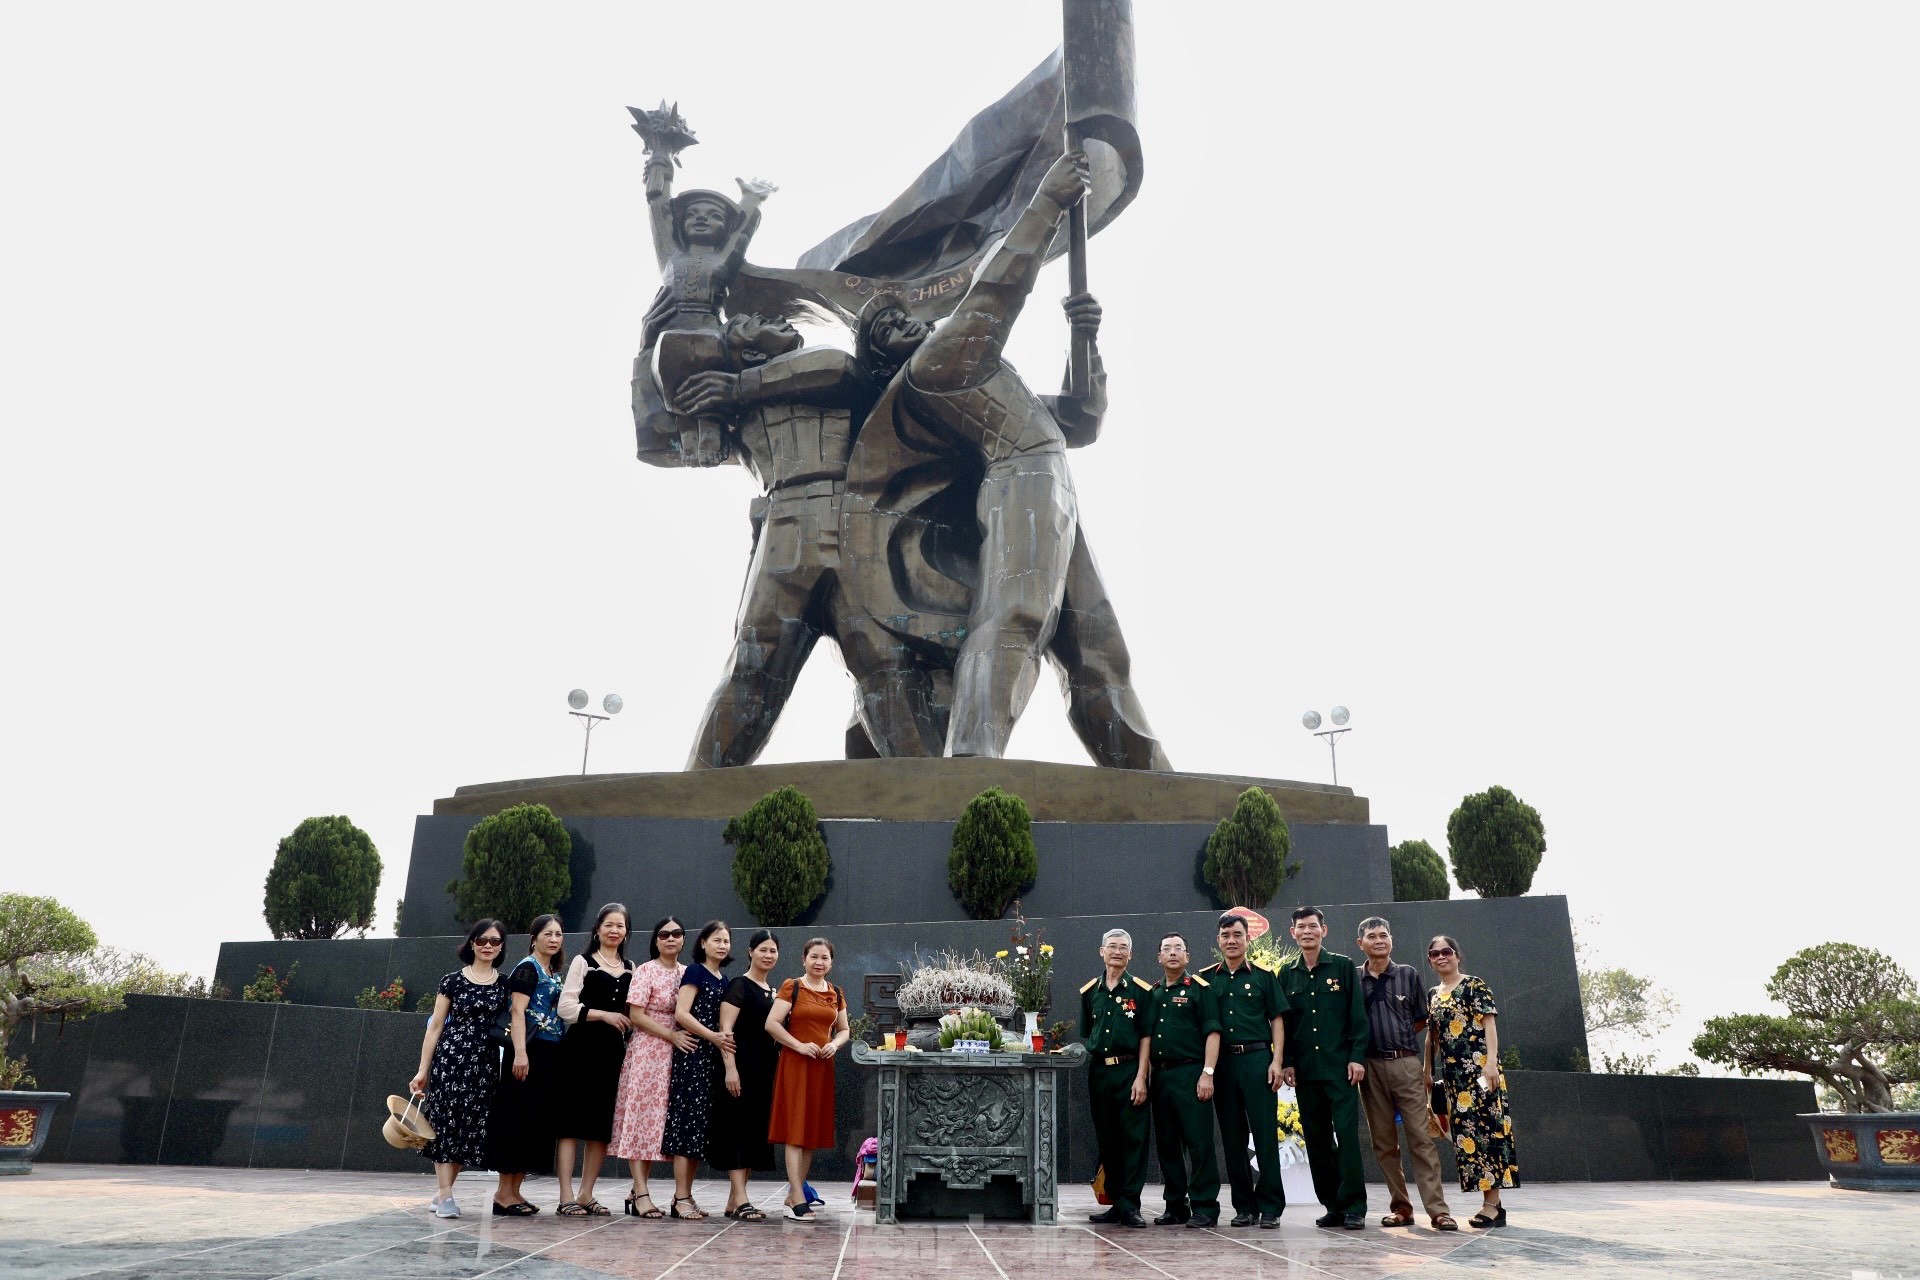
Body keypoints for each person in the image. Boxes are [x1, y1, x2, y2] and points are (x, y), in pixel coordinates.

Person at [853, 151, 1100, 759]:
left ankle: (1161, 791)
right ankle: (973, 760)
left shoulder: (972, 377)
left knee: (1100, 655)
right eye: (885, 327)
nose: (906, 325)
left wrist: (1083, 342)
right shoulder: (937, 367)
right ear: (881, 358)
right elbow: (996, 291)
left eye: (906, 316)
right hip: (1026, 482)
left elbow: (1078, 420)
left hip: (1050, 485)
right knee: (1014, 617)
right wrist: (1047, 201)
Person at [635, 102, 776, 467]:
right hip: (672, 330)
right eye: (694, 214)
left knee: (708, 390)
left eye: (713, 215)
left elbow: (741, 236)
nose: (701, 218)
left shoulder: (721, 261)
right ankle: (687, 437)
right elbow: (657, 206)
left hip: (710, 331)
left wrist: (751, 198)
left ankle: (711, 432)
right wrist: (659, 157)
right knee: (678, 387)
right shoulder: (671, 256)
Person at [1354, 916, 1456, 1231]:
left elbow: (1421, 1020)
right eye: (1372, 936)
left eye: (1384, 934)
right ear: (1361, 944)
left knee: (1421, 1138)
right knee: (1383, 1142)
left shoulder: (1408, 975)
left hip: (1406, 1064)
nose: (1379, 940)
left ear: (1391, 940)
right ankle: (1401, 1208)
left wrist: (1400, 1043)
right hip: (1368, 1067)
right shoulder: (1352, 978)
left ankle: (1438, 1211)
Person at [408, 919, 509, 1219]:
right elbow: (435, 1026)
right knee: (445, 1125)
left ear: (502, 946)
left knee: (470, 1128)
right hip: (451, 1059)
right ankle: (447, 1196)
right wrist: (422, 1069)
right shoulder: (451, 981)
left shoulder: (504, 984)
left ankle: (441, 1193)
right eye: (482, 940)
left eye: (494, 941)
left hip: (485, 1063)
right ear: (471, 944)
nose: (487, 946)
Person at [1278, 906, 1370, 1231]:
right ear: (1293, 933)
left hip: (1340, 1069)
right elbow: (1284, 1025)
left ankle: (1355, 1206)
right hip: (1305, 1072)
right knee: (1316, 1141)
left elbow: (1358, 1017)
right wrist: (1287, 1061)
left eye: (1313, 926)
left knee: (1346, 1137)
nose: (1307, 932)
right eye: (1301, 927)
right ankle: (1333, 1205)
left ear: (1323, 930)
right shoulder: (1286, 974)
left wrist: (1357, 1056)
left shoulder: (1343, 967)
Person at [1197, 913, 1289, 1228]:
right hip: (1222, 1065)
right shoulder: (1206, 978)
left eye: (1238, 934)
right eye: (1226, 935)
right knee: (1233, 1138)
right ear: (1218, 940)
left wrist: (1276, 1060)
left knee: (1264, 1135)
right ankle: (1243, 1206)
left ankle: (1271, 1207)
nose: (1232, 940)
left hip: (1257, 1060)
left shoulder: (1265, 976)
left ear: (1248, 938)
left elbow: (1277, 1020)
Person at [1426, 935, 1519, 1227]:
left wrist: (1491, 1063)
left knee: (1490, 1133)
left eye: (1446, 951)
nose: (1441, 957)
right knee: (1468, 1140)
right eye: (1434, 953)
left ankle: (1493, 1205)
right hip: (1454, 1079)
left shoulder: (1474, 984)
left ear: (1457, 955)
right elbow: (1434, 1036)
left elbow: (1488, 1022)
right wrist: (1426, 1069)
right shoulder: (1433, 994)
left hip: (1481, 1073)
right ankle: (1491, 1204)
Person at [555, 903, 634, 1217]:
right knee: (571, 1123)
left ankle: (587, 1193)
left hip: (612, 1053)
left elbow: (634, 1012)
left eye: (620, 925)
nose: (614, 930)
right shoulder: (582, 961)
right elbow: (566, 1008)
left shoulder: (631, 966)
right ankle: (565, 1195)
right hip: (580, 1048)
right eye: (609, 924)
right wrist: (603, 1015)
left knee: (600, 1126)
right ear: (597, 929)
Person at [610, 916, 692, 1219]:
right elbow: (636, 1014)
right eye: (664, 934)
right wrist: (669, 1034)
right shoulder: (645, 970)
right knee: (641, 1119)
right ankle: (641, 1191)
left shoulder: (688, 973)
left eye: (676, 933)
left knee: (662, 1124)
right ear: (656, 940)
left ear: (684, 939)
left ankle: (648, 1192)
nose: (670, 939)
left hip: (678, 1056)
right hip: (648, 1052)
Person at [487, 914, 568, 1216]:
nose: (553, 939)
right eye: (547, 933)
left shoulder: (553, 971)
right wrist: (521, 1053)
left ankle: (515, 1192)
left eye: (558, 934)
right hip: (528, 1051)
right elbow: (517, 1012)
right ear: (534, 938)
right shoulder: (527, 968)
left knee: (533, 1121)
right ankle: (503, 1193)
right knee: (516, 1120)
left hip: (549, 1054)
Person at [766, 937, 849, 1223]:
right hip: (795, 1064)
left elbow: (844, 1030)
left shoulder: (836, 993)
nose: (819, 962)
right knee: (795, 1130)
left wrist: (834, 1045)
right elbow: (771, 1024)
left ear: (831, 962)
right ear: (804, 959)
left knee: (811, 1132)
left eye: (824, 957)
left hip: (822, 1067)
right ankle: (797, 1197)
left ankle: (795, 1192)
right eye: (814, 956)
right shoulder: (793, 986)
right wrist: (798, 1045)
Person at [1144, 932, 1221, 1228]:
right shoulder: (1153, 993)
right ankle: (1176, 1205)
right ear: (1159, 957)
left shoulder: (1200, 989)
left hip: (1192, 1074)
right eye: (1167, 949)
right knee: (1167, 1144)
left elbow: (1213, 1032)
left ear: (1187, 956)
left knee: (1199, 1142)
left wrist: (1208, 1073)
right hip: (1161, 1077)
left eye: (1179, 948)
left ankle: (1205, 1206)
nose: (1173, 953)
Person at [660, 920, 736, 1219]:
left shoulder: (724, 978)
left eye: (726, 941)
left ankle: (687, 1196)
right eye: (716, 940)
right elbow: (682, 1013)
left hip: (711, 1059)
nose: (722, 945)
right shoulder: (695, 971)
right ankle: (680, 1198)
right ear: (703, 943)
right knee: (686, 1127)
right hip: (693, 1055)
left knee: (697, 1132)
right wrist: (712, 1036)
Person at [1079, 928, 1153, 1228]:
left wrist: (1141, 1077)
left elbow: (1146, 1037)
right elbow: (1088, 1034)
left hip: (1129, 1070)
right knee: (1107, 1138)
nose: (1117, 951)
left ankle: (1130, 1204)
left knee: (1133, 1139)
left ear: (1131, 954)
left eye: (1123, 947)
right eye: (1112, 946)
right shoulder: (1090, 992)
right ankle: (1113, 1201)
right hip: (1099, 1071)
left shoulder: (1140, 991)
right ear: (1102, 951)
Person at [708, 929, 781, 1220]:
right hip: (740, 1066)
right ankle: (741, 1198)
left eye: (773, 950)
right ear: (750, 952)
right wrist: (730, 1068)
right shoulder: (739, 985)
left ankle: (733, 1200)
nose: (768, 955)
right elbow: (725, 1031)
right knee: (737, 1130)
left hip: (764, 1068)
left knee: (753, 1131)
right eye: (762, 949)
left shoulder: (770, 990)